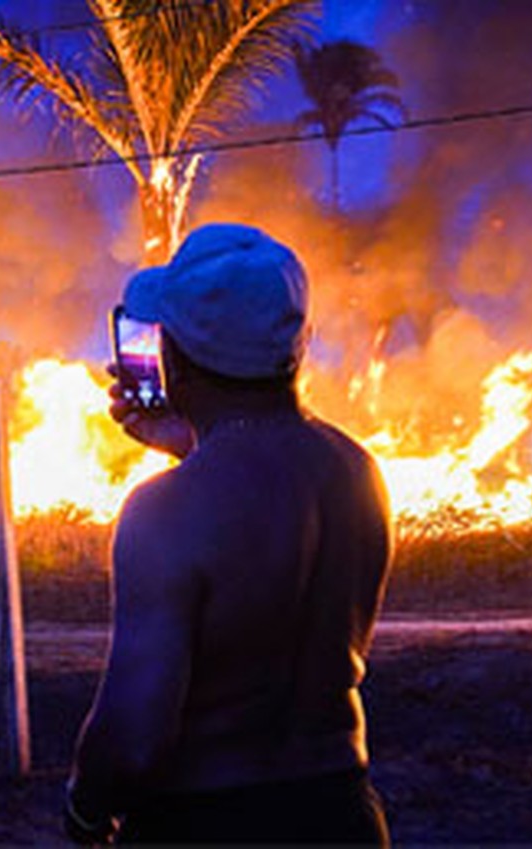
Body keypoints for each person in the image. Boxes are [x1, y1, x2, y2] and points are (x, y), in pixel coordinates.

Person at [64, 223, 393, 845]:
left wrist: (84, 810)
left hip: (207, 822)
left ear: (176, 360)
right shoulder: (356, 472)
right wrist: (194, 445)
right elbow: (265, 499)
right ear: (296, 345)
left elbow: (134, 738)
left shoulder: (166, 510)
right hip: (342, 813)